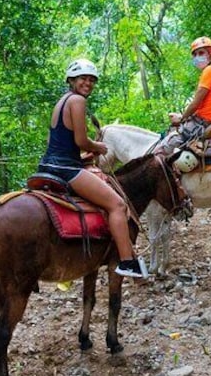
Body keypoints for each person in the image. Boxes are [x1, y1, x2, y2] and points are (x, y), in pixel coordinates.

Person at [38, 58, 146, 278]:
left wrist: (85, 155)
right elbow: (80, 139)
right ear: (71, 80)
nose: (87, 83)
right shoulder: (77, 101)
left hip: (48, 166)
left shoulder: (61, 102)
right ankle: (127, 262)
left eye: (91, 80)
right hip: (66, 170)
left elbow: (59, 143)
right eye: (82, 79)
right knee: (117, 205)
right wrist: (99, 147)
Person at [163, 36, 211, 155]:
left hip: (205, 122)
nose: (197, 57)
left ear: (210, 54)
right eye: (194, 54)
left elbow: (195, 103)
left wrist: (181, 118)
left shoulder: (209, 71)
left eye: (201, 53)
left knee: (170, 145)